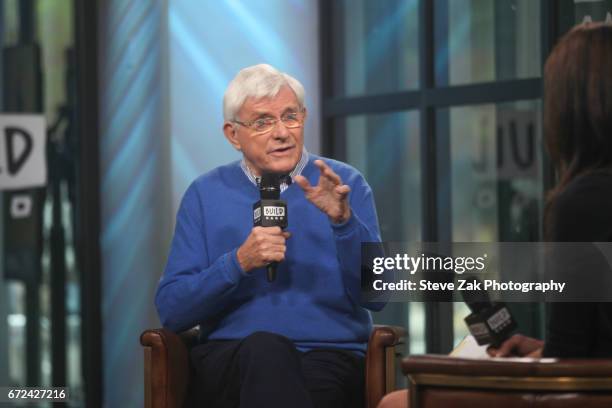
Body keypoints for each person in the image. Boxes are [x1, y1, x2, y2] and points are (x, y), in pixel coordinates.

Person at [377, 20, 612, 408]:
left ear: (571, 107)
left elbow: (569, 357)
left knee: (395, 403)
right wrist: (541, 349)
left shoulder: (583, 201)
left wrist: (528, 363)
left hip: (587, 393)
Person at [155, 63, 383, 408]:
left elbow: (377, 296)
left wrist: (344, 223)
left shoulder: (342, 183)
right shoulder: (204, 193)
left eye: (290, 117)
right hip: (231, 360)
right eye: (263, 122)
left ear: (304, 118)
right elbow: (172, 310)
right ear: (233, 134)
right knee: (266, 349)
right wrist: (238, 263)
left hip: (326, 358)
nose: (282, 132)